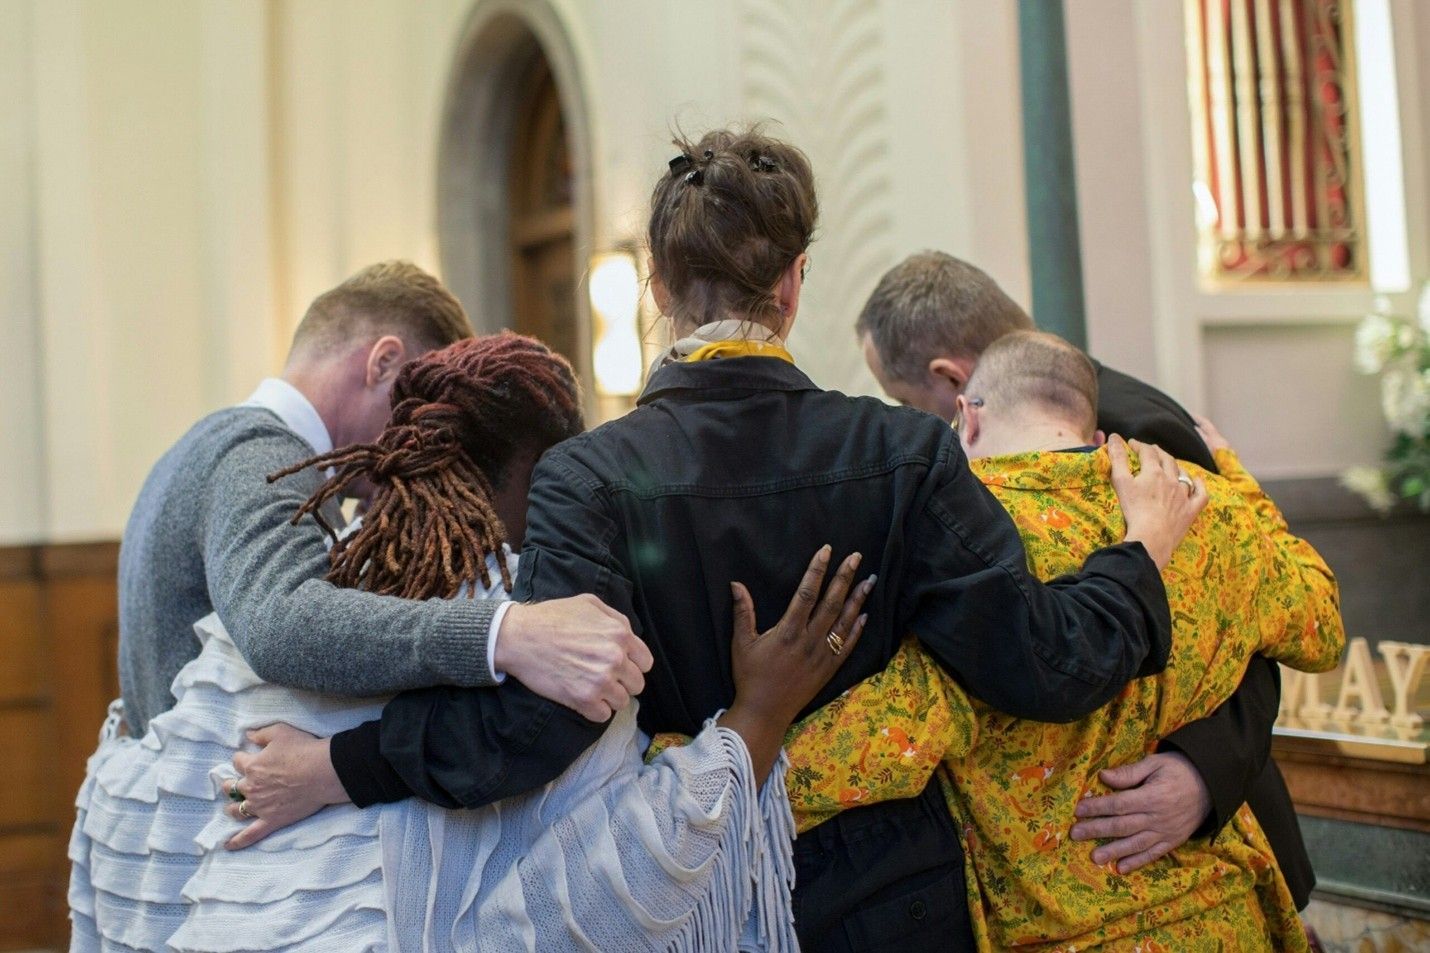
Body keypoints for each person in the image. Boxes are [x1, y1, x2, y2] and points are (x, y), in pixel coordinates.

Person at [230, 127, 1205, 951]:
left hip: (702, 890)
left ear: (657, 285)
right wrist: (1140, 551)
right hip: (896, 887)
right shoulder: (903, 451)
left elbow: (540, 725)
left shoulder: (589, 474)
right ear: (791, 284)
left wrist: (340, 765)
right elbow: (1039, 664)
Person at [71, 332, 868, 952]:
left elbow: (139, 819)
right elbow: (609, 886)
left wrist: (331, 770)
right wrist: (756, 719)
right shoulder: (546, 631)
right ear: (546, 476)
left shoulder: (270, 623)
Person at [779, 331, 1344, 950]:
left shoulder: (969, 549)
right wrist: (1235, 477)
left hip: (1070, 935)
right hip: (1226, 918)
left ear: (965, 419)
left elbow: (879, 742)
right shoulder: (1205, 510)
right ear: (1094, 433)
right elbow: (1323, 627)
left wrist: (692, 770)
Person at [855, 250, 1317, 903]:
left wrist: (1201, 773)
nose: (924, 427)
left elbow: (1246, 619)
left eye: (908, 402)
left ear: (954, 381)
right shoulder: (1056, 424)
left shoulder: (1129, 430)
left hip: (1200, 844)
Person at [117, 259, 648, 737]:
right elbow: (280, 625)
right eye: (415, 403)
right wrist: (503, 633)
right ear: (383, 363)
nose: (421, 437)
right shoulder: (259, 456)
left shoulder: (214, 442)